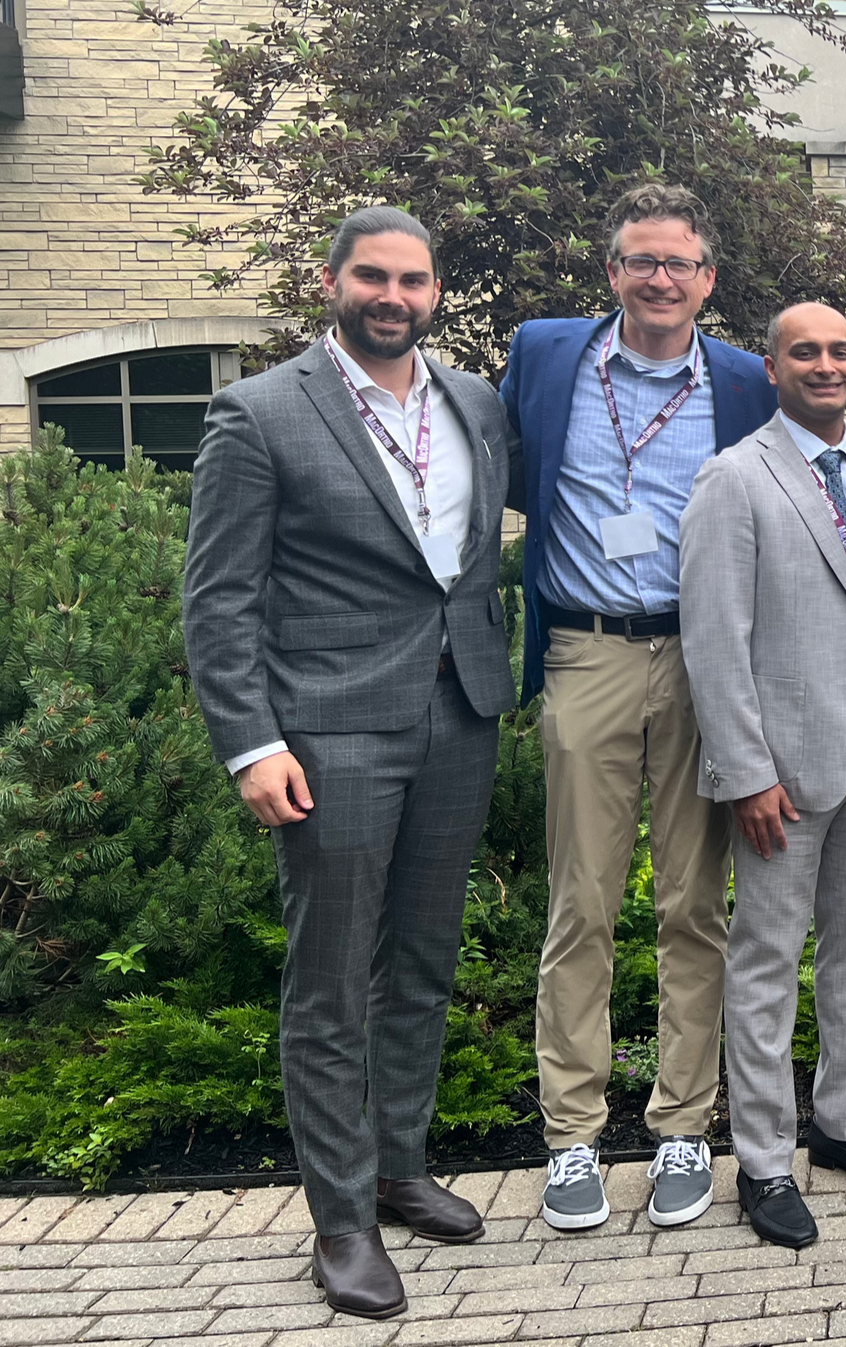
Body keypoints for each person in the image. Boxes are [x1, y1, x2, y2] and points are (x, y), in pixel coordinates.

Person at [184, 207, 515, 1318]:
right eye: (372, 276)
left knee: (420, 961)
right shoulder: (260, 412)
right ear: (334, 282)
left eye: (413, 280)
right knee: (329, 982)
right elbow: (219, 598)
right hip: (329, 731)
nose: (393, 296)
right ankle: (341, 1222)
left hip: (458, 714)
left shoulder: (473, 402)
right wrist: (251, 742)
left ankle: (398, 1166)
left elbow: (465, 565)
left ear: (435, 292)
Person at [500, 184, 778, 1231]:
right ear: (611, 270)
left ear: (708, 280)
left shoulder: (745, 380)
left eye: (680, 264)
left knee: (694, 906)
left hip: (707, 661)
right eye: (641, 261)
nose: (660, 279)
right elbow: (503, 473)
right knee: (582, 903)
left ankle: (680, 1127)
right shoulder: (544, 355)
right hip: (587, 652)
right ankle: (571, 1136)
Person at [679, 302, 846, 1249]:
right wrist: (744, 771)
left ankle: (845, 1125)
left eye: (842, 351)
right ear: (771, 367)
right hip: (780, 764)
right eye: (806, 352)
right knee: (768, 959)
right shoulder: (735, 478)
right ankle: (764, 1161)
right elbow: (713, 639)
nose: (827, 365)